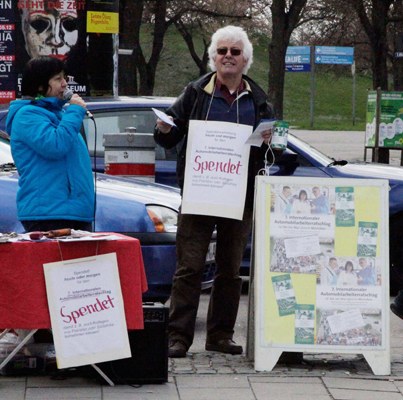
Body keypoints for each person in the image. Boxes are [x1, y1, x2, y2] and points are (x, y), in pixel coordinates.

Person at [154, 25, 274, 358]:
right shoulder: (194, 92)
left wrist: (270, 142)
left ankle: (220, 335)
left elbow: (274, 149)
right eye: (222, 51)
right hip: (200, 191)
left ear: (245, 59)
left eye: (235, 52)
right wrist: (163, 128)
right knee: (189, 267)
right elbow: (168, 134)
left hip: (240, 197)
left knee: (231, 270)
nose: (228, 57)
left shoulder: (259, 100)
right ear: (213, 57)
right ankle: (177, 337)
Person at [6, 56, 94, 233]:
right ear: (39, 86)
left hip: (74, 211)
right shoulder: (27, 116)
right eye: (57, 79)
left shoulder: (60, 115)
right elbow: (55, 146)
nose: (64, 84)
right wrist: (75, 111)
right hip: (48, 213)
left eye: (64, 78)